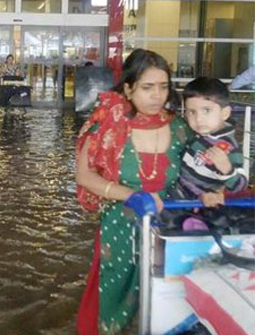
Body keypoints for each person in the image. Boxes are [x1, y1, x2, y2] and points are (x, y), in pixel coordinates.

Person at [75, 48, 192, 334]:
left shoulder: (179, 127)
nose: (157, 96)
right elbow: (84, 175)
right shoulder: (107, 124)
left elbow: (201, 173)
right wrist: (130, 195)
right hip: (120, 228)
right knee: (114, 302)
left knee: (168, 304)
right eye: (148, 88)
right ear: (128, 89)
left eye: (164, 87)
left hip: (168, 230)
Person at [162, 77, 248, 227]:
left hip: (196, 204)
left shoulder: (229, 147)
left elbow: (240, 185)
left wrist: (226, 169)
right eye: (191, 112)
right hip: (180, 195)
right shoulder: (200, 136)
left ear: (225, 113)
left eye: (206, 110)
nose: (198, 118)